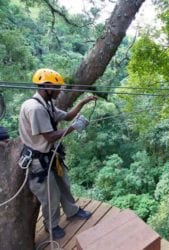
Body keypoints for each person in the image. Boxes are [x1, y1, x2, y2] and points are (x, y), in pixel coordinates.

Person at [18, 68, 97, 240]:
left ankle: (72, 211)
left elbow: (67, 117)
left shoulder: (47, 104)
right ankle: (51, 225)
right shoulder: (35, 108)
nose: (60, 91)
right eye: (57, 87)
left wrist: (83, 103)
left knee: (63, 184)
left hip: (51, 155)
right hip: (39, 160)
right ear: (46, 87)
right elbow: (50, 136)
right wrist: (75, 128)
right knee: (50, 195)